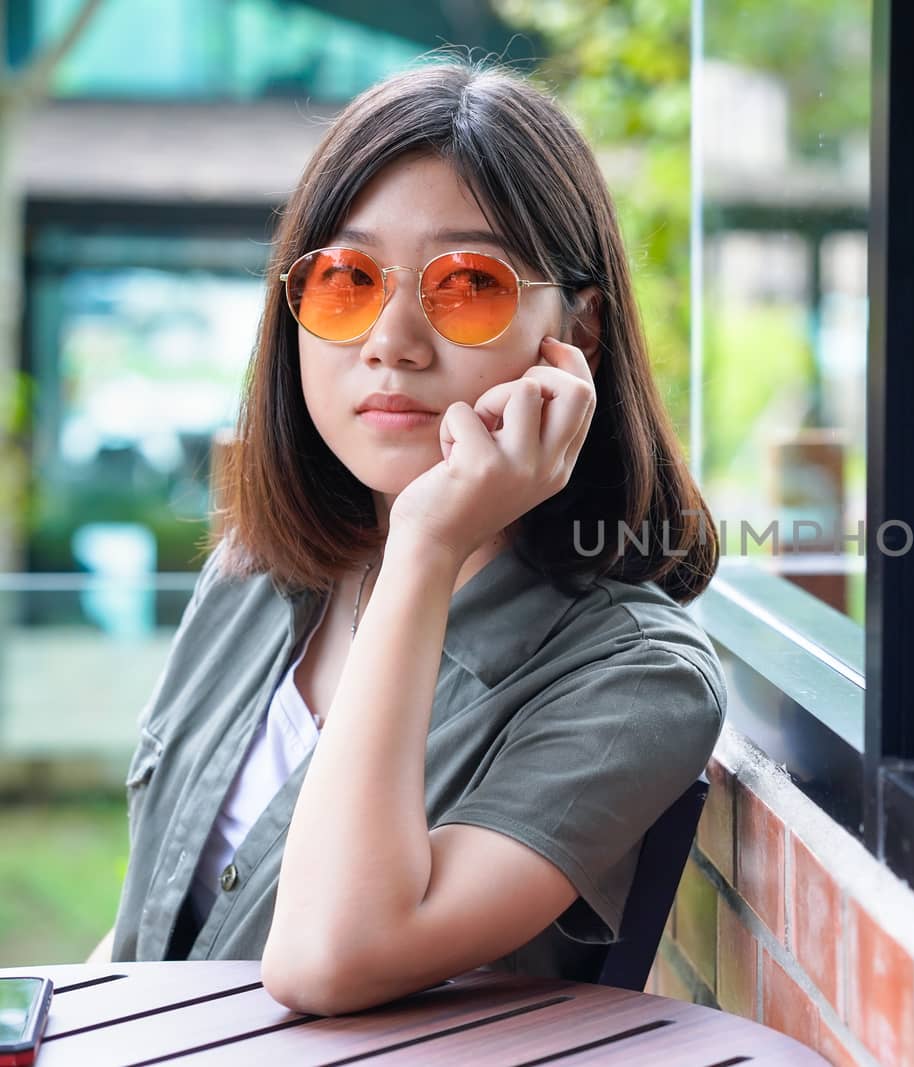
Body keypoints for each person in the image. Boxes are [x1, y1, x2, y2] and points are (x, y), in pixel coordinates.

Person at [86, 60, 727, 1016]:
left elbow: (332, 957)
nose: (392, 337)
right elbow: (144, 932)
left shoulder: (636, 680)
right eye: (347, 278)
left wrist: (427, 544)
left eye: (467, 283)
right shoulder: (257, 576)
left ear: (577, 333)